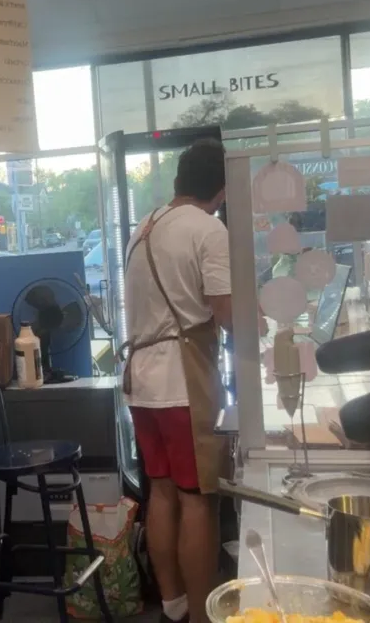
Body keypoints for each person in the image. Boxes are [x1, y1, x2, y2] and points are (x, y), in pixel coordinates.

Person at [121, 139, 235, 623]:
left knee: (162, 491)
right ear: (222, 189)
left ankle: (172, 604)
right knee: (198, 500)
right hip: (182, 384)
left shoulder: (144, 226)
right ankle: (205, 614)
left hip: (142, 383)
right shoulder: (208, 229)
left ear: (179, 180)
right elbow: (227, 315)